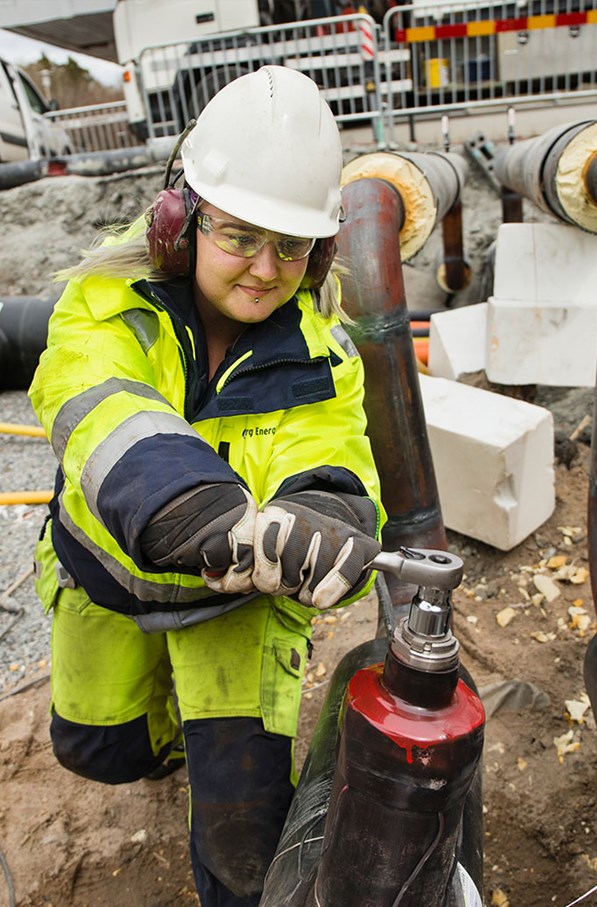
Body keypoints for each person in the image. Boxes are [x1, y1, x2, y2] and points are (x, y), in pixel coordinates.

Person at [29, 65, 384, 906]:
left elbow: (330, 446)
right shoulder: (104, 302)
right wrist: (188, 499)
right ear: (178, 224)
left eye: (291, 246)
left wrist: (323, 510)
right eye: (239, 236)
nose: (265, 269)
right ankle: (170, 733)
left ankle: (221, 763)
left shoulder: (324, 353)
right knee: (97, 746)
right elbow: (96, 396)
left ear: (320, 250)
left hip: (235, 606)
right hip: (110, 577)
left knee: (242, 833)